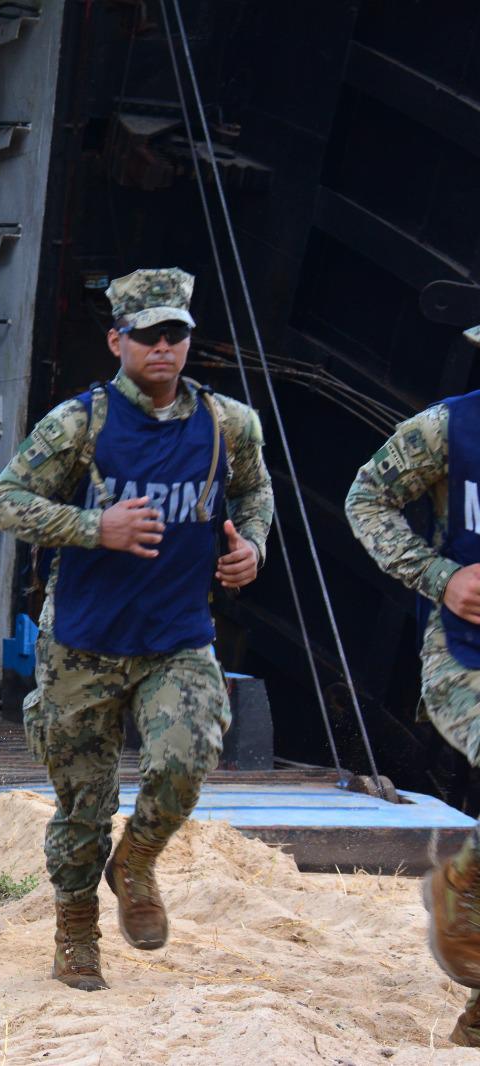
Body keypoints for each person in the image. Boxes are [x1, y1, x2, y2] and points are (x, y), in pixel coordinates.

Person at [0, 267, 272, 991]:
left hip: (177, 636)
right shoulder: (80, 423)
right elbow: (5, 502)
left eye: (175, 334)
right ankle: (76, 933)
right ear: (118, 340)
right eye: (147, 336)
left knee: (190, 754)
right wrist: (93, 526)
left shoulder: (226, 422)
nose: (164, 349)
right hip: (83, 641)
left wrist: (252, 546)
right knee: (84, 806)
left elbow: (254, 490)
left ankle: (138, 859)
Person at [345, 323, 480, 1045]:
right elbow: (365, 500)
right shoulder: (447, 430)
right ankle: (459, 882)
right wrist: (441, 576)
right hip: (467, 658)